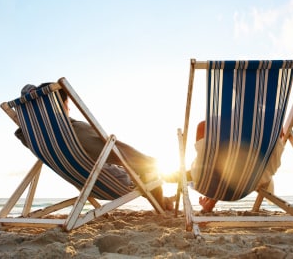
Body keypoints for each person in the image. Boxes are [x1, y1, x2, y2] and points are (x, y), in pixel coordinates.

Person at [15, 83, 175, 211]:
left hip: (84, 182)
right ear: (62, 104)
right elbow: (121, 154)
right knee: (147, 169)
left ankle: (165, 201)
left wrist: (31, 103)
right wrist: (153, 162)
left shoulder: (29, 136)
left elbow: (27, 92)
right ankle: (163, 204)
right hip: (111, 182)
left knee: (139, 173)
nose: (69, 108)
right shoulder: (74, 130)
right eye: (67, 104)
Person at [192, 120, 284, 213]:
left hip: (218, 177)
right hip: (259, 176)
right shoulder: (272, 121)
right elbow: (280, 134)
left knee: (204, 128)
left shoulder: (218, 124)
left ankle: (211, 201)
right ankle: (210, 201)